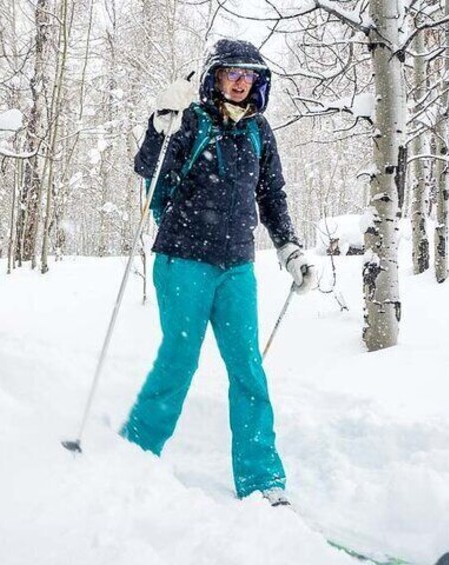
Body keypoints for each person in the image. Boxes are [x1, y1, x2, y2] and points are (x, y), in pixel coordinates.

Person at [121, 39, 317, 506]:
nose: (240, 81)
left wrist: (288, 247)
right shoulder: (189, 121)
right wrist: (158, 123)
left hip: (237, 267)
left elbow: (272, 196)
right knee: (180, 357)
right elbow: (147, 168)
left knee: (248, 368)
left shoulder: (259, 131)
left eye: (249, 75)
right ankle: (134, 450)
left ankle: (261, 479)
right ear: (215, 76)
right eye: (233, 72)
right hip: (183, 258)